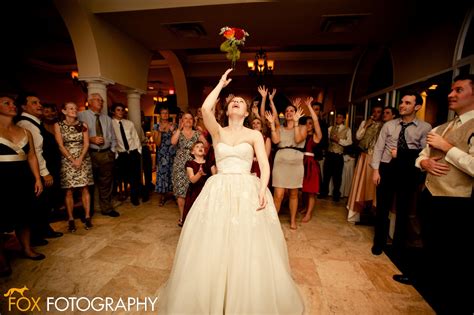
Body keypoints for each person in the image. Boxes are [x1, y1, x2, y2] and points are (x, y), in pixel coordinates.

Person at [158, 69, 304, 314]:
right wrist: (220, 85)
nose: (236, 103)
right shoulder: (217, 132)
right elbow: (205, 110)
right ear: (227, 110)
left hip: (247, 188)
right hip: (219, 189)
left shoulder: (255, 134)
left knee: (247, 242)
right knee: (214, 240)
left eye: (241, 103)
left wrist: (261, 189)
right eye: (233, 102)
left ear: (247, 112)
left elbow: (264, 164)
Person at [413, 73, 474, 314]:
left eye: (458, 90)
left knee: (454, 256)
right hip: (431, 194)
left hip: (458, 201)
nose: (451, 94)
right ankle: (429, 290)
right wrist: (423, 164)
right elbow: (422, 156)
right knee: (431, 244)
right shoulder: (443, 126)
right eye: (451, 90)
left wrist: (447, 148)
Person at [371, 91, 431, 268]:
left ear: (417, 107)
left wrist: (404, 155)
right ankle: (379, 242)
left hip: (408, 171)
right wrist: (375, 170)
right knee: (382, 207)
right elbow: (378, 148)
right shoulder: (389, 125)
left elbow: (424, 153)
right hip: (387, 168)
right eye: (402, 102)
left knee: (404, 210)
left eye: (407, 103)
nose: (402, 105)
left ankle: (398, 245)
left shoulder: (425, 127)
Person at [1, 95, 45, 277]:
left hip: (22, 176)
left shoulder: (24, 132)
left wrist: (37, 178)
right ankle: (1, 258)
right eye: (6, 103)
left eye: (13, 103)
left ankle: (27, 248)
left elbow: (32, 156)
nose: (13, 106)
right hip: (2, 177)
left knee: (24, 214)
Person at [15, 93, 63, 244]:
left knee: (45, 204)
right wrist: (45, 173)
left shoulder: (35, 122)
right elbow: (35, 151)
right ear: (24, 107)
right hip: (42, 172)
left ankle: (44, 229)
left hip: (47, 169)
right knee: (39, 204)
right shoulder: (27, 124)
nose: (39, 105)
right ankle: (36, 235)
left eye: (39, 102)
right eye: (34, 103)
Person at [78, 93, 119, 217]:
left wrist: (112, 151)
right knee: (87, 184)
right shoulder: (81, 116)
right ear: (89, 102)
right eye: (97, 100)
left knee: (106, 183)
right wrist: (90, 139)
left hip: (106, 154)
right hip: (89, 154)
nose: (101, 102)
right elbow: (73, 136)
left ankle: (106, 209)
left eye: (102, 101)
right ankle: (87, 211)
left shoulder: (107, 118)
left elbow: (113, 137)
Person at [54, 102, 94, 232]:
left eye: (75, 108)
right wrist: (72, 159)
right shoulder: (58, 125)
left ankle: (87, 217)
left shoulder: (83, 125)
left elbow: (86, 143)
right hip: (67, 160)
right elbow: (60, 145)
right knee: (68, 190)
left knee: (85, 188)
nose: (74, 110)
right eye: (71, 108)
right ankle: (71, 219)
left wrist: (80, 159)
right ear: (64, 111)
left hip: (83, 158)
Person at [269, 98, 307, 230]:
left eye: (292, 110)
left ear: (296, 113)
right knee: (278, 194)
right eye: (287, 111)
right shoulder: (279, 127)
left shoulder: (303, 127)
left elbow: (297, 139)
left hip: (296, 163)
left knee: (294, 194)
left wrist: (296, 123)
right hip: (280, 163)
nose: (289, 112)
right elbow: (275, 141)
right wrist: (273, 126)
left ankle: (292, 221)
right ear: (284, 114)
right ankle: (273, 222)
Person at [346, 105, 383, 222]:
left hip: (378, 158)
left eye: (379, 112)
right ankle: (357, 211)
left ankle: (373, 211)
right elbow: (358, 136)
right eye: (374, 111)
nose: (376, 114)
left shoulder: (385, 125)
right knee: (361, 184)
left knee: (373, 186)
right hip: (364, 156)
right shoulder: (364, 123)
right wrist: (366, 125)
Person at [111, 103, 143, 206]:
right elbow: (112, 140)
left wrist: (139, 151)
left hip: (133, 152)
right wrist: (116, 154)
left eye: (122, 110)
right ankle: (121, 195)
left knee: (135, 177)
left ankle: (134, 198)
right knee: (123, 177)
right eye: (118, 110)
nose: (120, 112)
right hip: (122, 154)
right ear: (113, 111)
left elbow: (135, 137)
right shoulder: (110, 124)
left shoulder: (129, 123)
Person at [319, 112, 352, 201]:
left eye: (340, 117)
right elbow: (326, 140)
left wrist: (339, 140)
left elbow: (349, 142)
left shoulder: (347, 130)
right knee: (326, 175)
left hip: (338, 155)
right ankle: (323, 193)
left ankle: (336, 195)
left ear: (344, 119)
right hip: (329, 154)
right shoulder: (330, 128)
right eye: (337, 117)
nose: (338, 119)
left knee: (337, 176)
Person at [181, 140, 216, 224]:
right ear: (192, 152)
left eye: (202, 147)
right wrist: (199, 173)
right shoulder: (190, 164)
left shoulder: (209, 163)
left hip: (207, 191)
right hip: (195, 192)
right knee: (195, 214)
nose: (200, 148)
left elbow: (215, 176)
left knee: (206, 213)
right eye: (197, 147)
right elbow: (192, 180)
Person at [300, 97, 323, 223]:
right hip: (301, 163)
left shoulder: (316, 136)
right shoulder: (301, 136)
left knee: (311, 191)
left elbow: (315, 120)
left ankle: (309, 213)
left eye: (310, 123)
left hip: (310, 165)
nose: (308, 125)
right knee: (303, 190)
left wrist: (309, 106)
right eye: (306, 123)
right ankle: (304, 207)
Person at [153, 107, 176, 206]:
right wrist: (160, 132)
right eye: (163, 113)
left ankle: (175, 194)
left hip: (172, 152)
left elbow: (177, 140)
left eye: (167, 113)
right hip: (162, 154)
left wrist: (173, 131)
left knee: (173, 172)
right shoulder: (156, 126)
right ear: (160, 115)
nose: (165, 115)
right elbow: (157, 144)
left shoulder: (174, 125)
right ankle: (162, 196)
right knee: (162, 174)